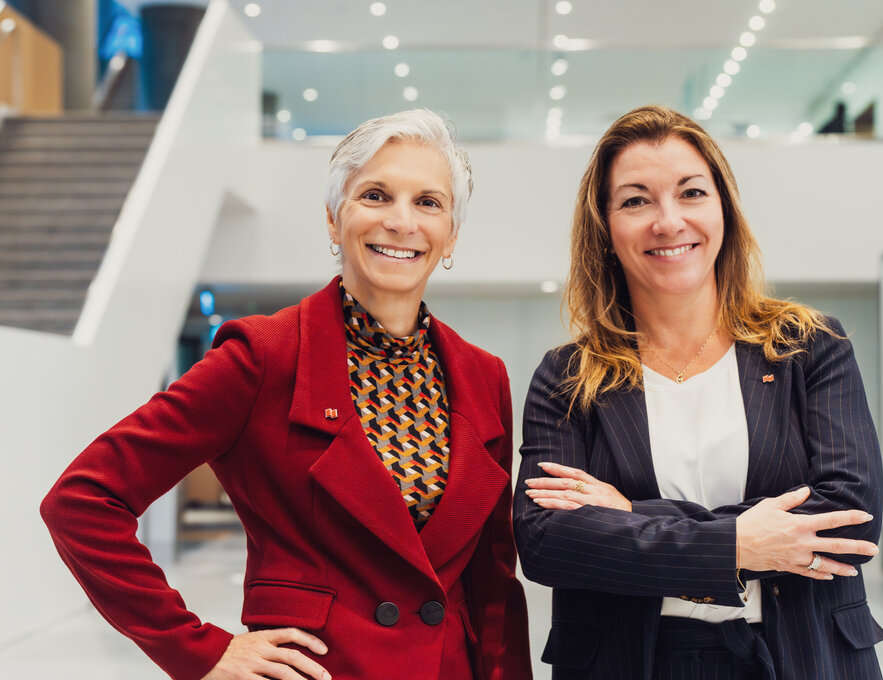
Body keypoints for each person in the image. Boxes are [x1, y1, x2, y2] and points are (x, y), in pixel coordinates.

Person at [41, 109, 532, 680]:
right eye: (375, 195)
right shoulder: (263, 356)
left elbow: (494, 580)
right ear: (332, 219)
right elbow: (81, 502)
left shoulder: (482, 375)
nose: (401, 221)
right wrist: (200, 650)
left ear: (450, 233)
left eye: (428, 202)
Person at [514, 105, 883, 680]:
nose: (668, 221)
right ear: (606, 229)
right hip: (628, 661)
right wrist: (740, 542)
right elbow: (547, 542)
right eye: (636, 200)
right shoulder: (568, 376)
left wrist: (632, 515)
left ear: (723, 212)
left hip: (800, 656)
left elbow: (849, 518)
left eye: (691, 193)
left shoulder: (808, 347)